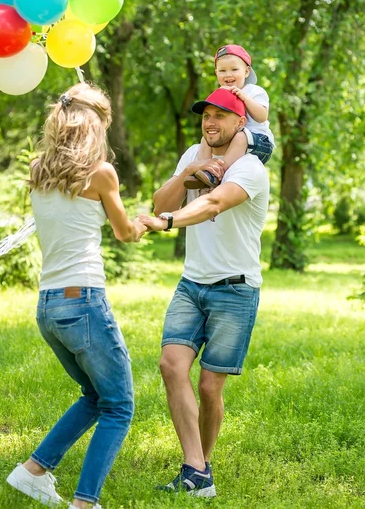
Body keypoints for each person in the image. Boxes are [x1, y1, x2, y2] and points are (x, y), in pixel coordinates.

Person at [6, 83, 146, 509]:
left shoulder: (37, 170)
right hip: (83, 300)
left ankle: (32, 472)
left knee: (94, 395)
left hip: (49, 305)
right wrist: (144, 222)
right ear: (94, 125)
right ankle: (85, 503)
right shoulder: (101, 173)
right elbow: (124, 233)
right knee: (119, 405)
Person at [139, 87, 269, 498]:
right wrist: (187, 172)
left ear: (240, 123)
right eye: (206, 116)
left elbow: (213, 203)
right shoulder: (192, 156)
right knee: (171, 365)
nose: (211, 122)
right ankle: (195, 470)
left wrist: (168, 223)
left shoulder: (250, 168)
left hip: (235, 289)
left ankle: (202, 468)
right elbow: (160, 200)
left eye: (221, 115)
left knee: (211, 388)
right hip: (191, 284)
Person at [184, 44, 275, 189]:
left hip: (260, 142)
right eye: (222, 70)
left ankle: (217, 172)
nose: (228, 75)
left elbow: (262, 117)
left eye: (234, 69)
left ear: (246, 72)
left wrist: (245, 99)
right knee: (206, 138)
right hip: (234, 141)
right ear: (216, 73)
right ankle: (205, 169)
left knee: (241, 137)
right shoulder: (221, 93)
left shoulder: (253, 91)